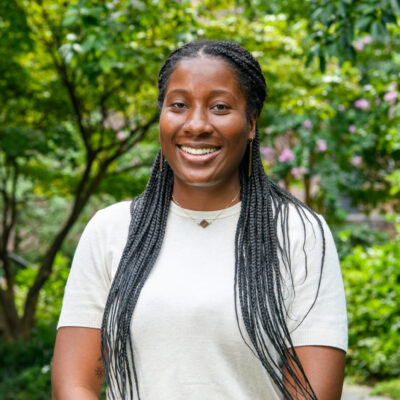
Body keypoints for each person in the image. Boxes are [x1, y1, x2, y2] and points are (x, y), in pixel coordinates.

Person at [51, 40, 347, 400]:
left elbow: (313, 393)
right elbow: (75, 383)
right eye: (178, 105)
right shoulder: (111, 229)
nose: (196, 124)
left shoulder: (299, 233)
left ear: (251, 123)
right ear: (162, 116)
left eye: (220, 107)